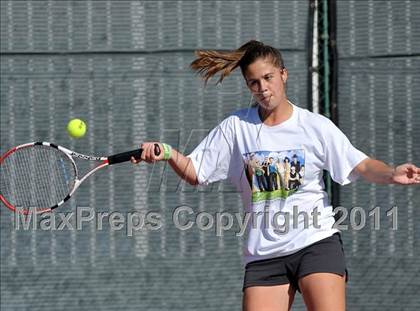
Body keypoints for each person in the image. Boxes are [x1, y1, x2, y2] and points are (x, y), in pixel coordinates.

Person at [131, 40, 420, 311]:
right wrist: (168, 152)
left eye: (268, 78)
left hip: (315, 242)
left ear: (283, 74)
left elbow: (361, 164)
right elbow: (197, 172)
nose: (263, 88)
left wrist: (392, 173)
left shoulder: (315, 126)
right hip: (264, 255)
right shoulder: (236, 128)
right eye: (254, 82)